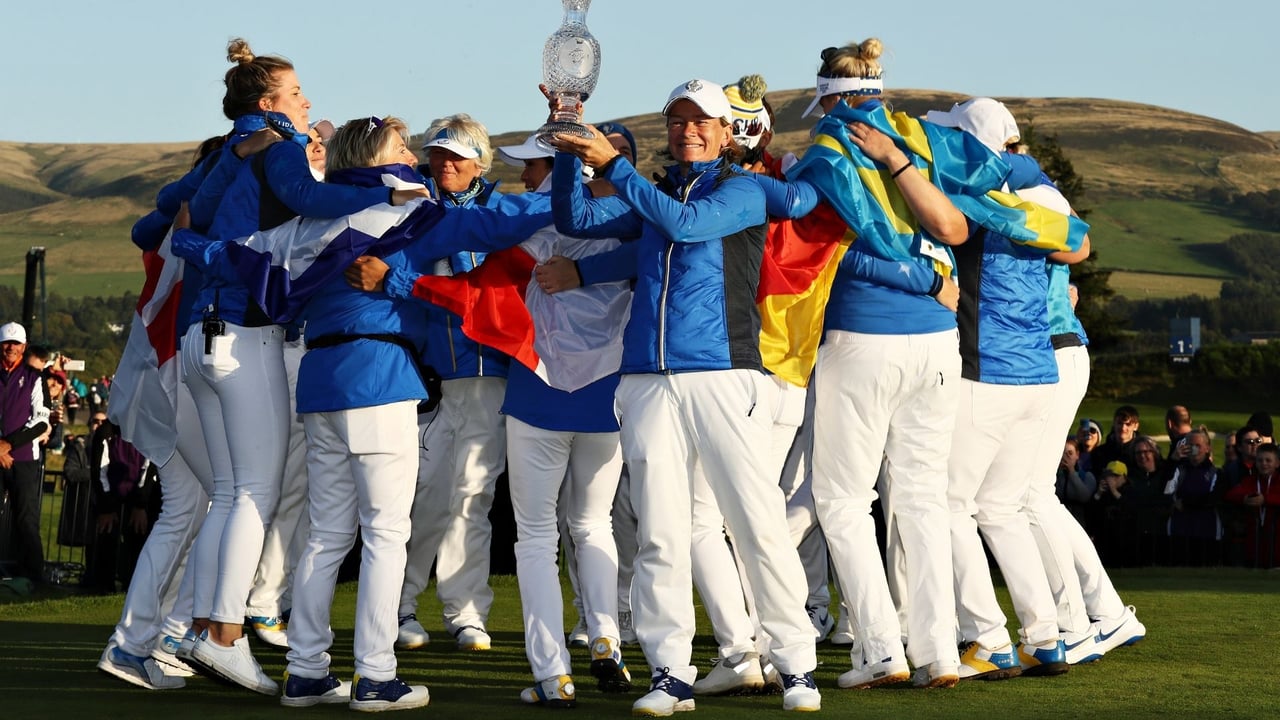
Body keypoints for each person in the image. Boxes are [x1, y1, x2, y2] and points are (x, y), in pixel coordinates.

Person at [548, 78, 821, 714]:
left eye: (702, 122)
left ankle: (797, 667)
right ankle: (670, 671)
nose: (688, 130)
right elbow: (575, 218)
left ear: (728, 133)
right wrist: (567, 144)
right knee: (661, 533)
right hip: (646, 379)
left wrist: (613, 164)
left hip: (725, 374)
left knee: (755, 523)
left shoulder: (743, 189)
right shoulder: (657, 191)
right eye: (677, 120)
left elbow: (687, 225)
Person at [173, 37, 425, 696]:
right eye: (297, 93)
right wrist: (390, 191)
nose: (308, 103)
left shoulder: (233, 151)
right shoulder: (284, 151)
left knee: (234, 496)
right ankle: (226, 635)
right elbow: (312, 206)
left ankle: (204, 630)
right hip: (249, 338)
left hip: (202, 336)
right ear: (269, 102)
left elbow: (167, 227)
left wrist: (196, 234)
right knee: (256, 494)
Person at [0, 322, 51, 585]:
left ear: (24, 347)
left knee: (26, 519)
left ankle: (34, 578)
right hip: (2, 453)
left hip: (24, 459)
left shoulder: (35, 377)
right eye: (6, 343)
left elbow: (41, 421)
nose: (10, 348)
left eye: (15, 343)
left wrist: (7, 444)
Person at [1165, 427, 1223, 565]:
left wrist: (1185, 503)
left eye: (1198, 445)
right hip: (1180, 528)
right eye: (1190, 445)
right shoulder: (1179, 469)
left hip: (1207, 529)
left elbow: (1212, 499)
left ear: (1207, 448)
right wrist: (1173, 460)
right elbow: (1167, 490)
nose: (1194, 449)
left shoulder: (1216, 473)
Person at [1223, 442, 1280, 568]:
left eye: (1268, 460)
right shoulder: (1250, 480)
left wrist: (1265, 499)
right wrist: (1245, 498)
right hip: (1255, 538)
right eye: (1260, 460)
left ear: (1277, 463)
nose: (1264, 464)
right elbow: (1231, 494)